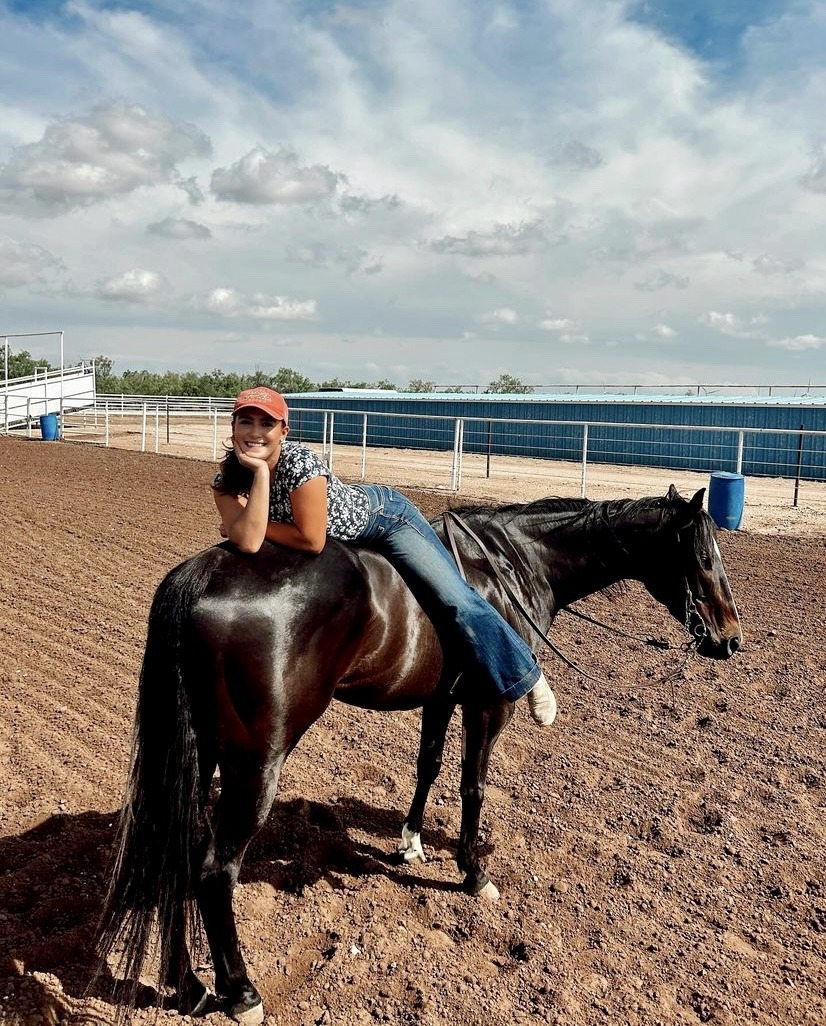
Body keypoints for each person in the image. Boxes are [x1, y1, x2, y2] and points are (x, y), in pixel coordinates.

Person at [212, 387, 557, 726]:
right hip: (339, 525)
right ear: (233, 426)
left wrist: (248, 522)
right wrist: (259, 477)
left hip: (386, 519)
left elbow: (310, 540)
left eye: (266, 423)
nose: (255, 432)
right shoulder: (226, 478)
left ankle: (526, 673)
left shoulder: (300, 464)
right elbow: (247, 542)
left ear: (283, 431)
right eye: (246, 422)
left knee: (453, 596)